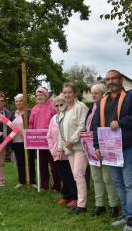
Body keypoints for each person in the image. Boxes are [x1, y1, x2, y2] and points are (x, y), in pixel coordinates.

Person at [92, 70, 132, 231]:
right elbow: (95, 125)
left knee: (130, 183)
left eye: (114, 78)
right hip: (109, 150)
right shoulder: (101, 102)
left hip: (127, 147)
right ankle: (125, 215)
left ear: (121, 80)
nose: (111, 81)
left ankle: (131, 219)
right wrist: (97, 146)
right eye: (108, 79)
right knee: (118, 183)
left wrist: (121, 123)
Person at [86, 83, 120, 217]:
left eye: (96, 93)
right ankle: (99, 204)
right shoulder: (91, 108)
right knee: (96, 177)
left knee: (108, 177)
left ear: (103, 94)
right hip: (90, 146)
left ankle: (114, 205)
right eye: (92, 93)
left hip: (105, 145)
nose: (93, 95)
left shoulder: (108, 107)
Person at [58, 83, 89, 214]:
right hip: (69, 148)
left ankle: (82, 205)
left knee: (78, 174)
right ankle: (79, 201)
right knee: (76, 175)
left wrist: (72, 140)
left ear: (75, 93)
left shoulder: (81, 107)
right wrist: (60, 148)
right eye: (64, 92)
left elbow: (82, 126)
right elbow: (61, 131)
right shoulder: (63, 110)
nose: (67, 95)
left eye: (69, 92)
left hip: (80, 146)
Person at [47, 95, 77, 208]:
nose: (59, 107)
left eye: (61, 104)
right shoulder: (53, 118)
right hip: (57, 153)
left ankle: (75, 197)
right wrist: (52, 149)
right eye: (56, 105)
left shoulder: (70, 116)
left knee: (71, 175)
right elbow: (49, 136)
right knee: (63, 175)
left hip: (69, 151)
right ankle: (66, 196)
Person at [29, 87, 60, 191]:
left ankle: (56, 186)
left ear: (46, 96)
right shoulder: (34, 109)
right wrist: (31, 137)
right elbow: (31, 124)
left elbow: (57, 122)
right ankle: (44, 185)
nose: (39, 97)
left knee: (54, 164)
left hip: (51, 140)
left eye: (41, 95)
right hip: (39, 141)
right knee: (42, 165)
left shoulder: (52, 107)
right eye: (37, 96)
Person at [11, 94, 36, 188]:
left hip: (28, 141)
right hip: (16, 141)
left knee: (30, 161)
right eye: (16, 101)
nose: (18, 103)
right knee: (20, 162)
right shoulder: (12, 114)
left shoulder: (29, 112)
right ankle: (22, 181)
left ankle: (32, 181)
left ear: (24, 102)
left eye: (20, 101)